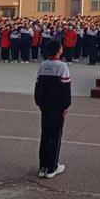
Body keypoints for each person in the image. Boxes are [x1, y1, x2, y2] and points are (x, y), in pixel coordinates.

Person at [34, 39, 71, 179]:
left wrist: (38, 101)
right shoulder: (62, 66)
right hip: (57, 106)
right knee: (55, 136)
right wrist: (66, 106)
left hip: (45, 105)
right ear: (59, 50)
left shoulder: (43, 65)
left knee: (45, 135)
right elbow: (65, 88)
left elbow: (38, 85)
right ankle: (52, 167)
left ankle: (42, 166)